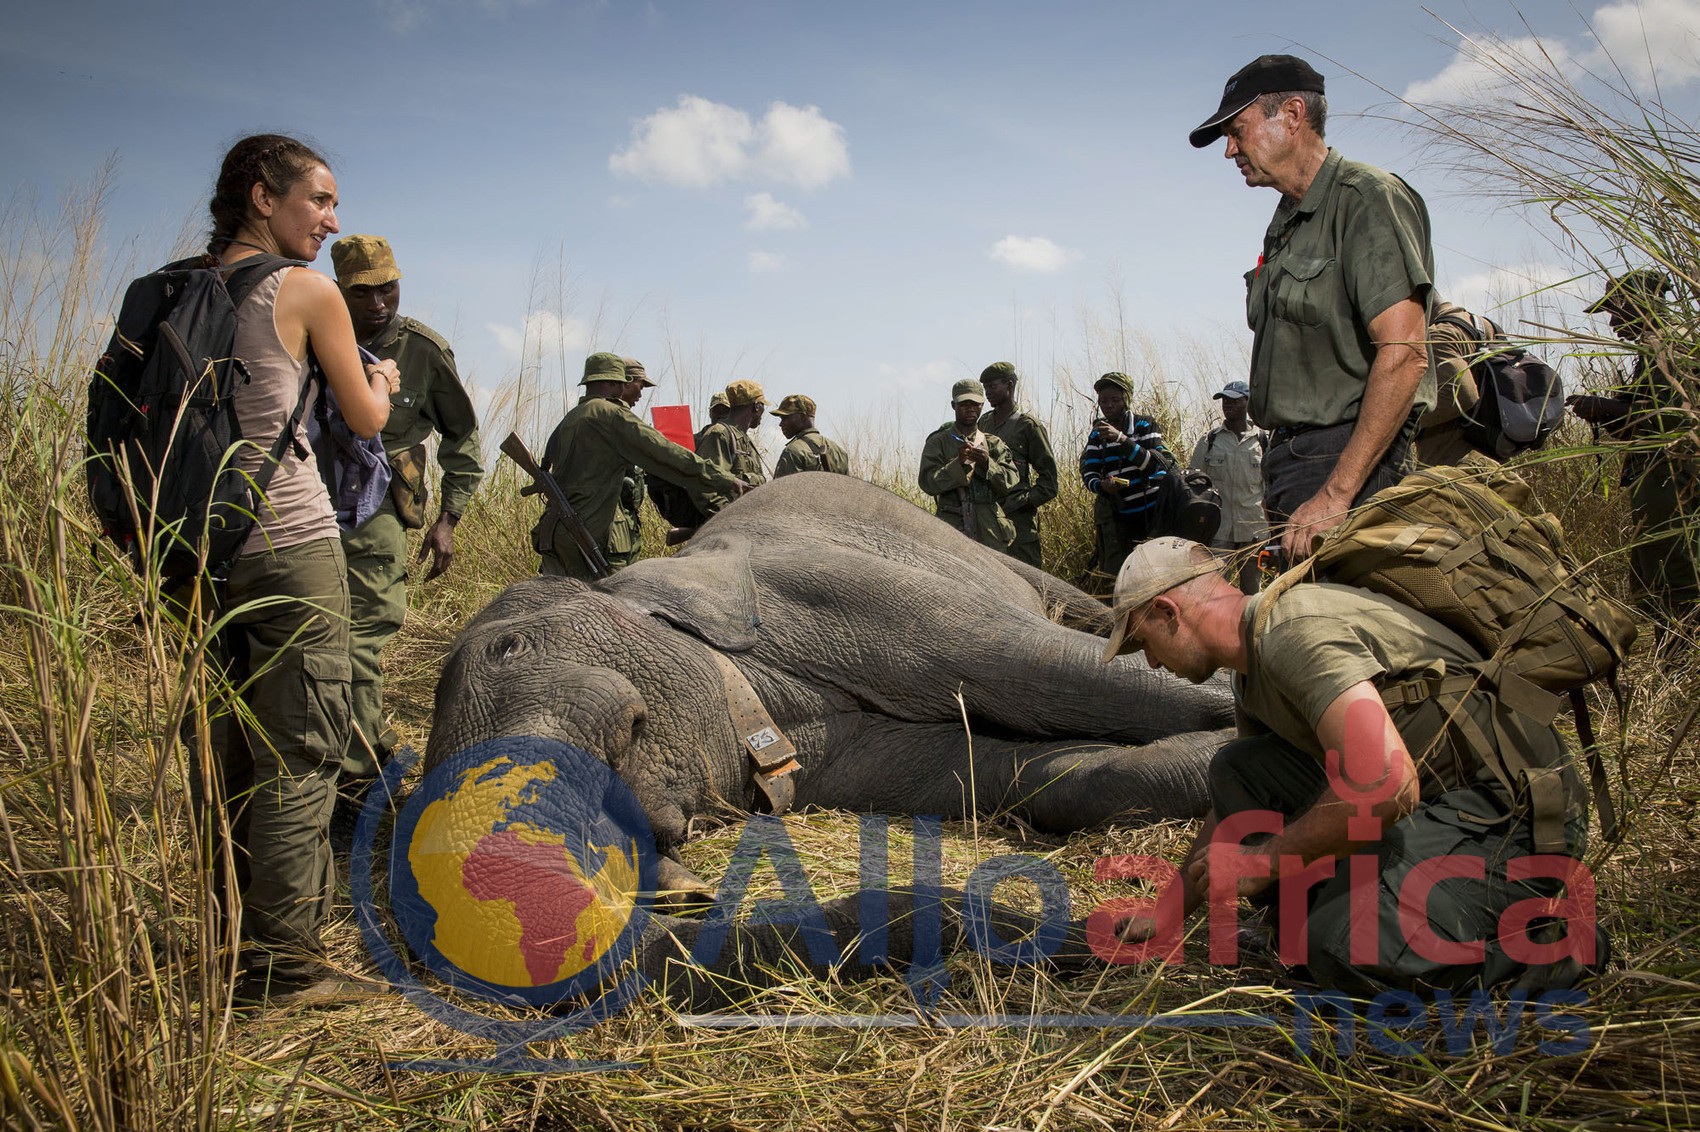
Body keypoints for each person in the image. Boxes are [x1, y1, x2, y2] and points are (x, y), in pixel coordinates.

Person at [1102, 538, 1599, 995]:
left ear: (1167, 612)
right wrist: (1167, 913)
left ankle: (1552, 949)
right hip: (1433, 804)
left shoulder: (1293, 630)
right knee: (1238, 768)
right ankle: (1326, 927)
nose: (1151, 663)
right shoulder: (1250, 671)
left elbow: (1387, 785)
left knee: (1344, 946)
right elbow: (1239, 807)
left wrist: (1263, 861)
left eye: (1144, 643)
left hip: (1513, 812)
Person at [201, 134, 398, 1001]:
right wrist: (383, 382)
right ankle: (283, 967)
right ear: (262, 196)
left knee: (228, 755)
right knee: (300, 755)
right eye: (318, 200)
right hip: (289, 543)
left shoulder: (174, 288)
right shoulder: (305, 290)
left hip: (196, 553)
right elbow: (363, 419)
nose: (330, 220)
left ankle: (228, 938)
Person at [1191, 54, 1435, 563]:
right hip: (1291, 464)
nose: (1230, 150)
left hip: (1345, 465)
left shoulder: (1366, 198)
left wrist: (1337, 494)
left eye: (1237, 131)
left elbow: (1405, 352)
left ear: (1293, 115)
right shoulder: (1285, 222)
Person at [329, 235, 485, 790]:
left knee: (360, 638)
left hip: (380, 509)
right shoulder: (312, 331)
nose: (378, 304)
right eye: (362, 292)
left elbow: (462, 436)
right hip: (310, 504)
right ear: (339, 290)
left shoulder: (422, 349)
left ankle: (360, 772)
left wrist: (449, 519)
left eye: (388, 289)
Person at [533, 353, 744, 577]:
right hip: (593, 533)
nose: (637, 393)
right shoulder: (611, 415)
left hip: (557, 531)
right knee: (606, 597)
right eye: (625, 384)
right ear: (615, 383)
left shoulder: (570, 418)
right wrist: (725, 480)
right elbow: (666, 453)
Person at [1569, 269, 1699, 625]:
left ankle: (1680, 654)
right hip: (1662, 479)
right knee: (1657, 579)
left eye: (1616, 310)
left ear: (1641, 302)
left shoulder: (1669, 344)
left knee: (1677, 582)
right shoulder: (1659, 344)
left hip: (1674, 479)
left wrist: (1606, 407)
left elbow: (1674, 421)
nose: (1612, 323)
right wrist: (1607, 413)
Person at [1079, 371, 1171, 580]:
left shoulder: (1144, 425)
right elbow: (1089, 472)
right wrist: (1102, 486)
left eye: (1115, 400)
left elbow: (1152, 465)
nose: (1108, 405)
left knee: (1158, 574)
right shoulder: (1097, 434)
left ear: (1126, 400)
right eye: (1103, 401)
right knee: (1126, 576)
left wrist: (1121, 439)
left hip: (1154, 513)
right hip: (1121, 517)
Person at [918, 379, 1019, 550]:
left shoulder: (993, 444)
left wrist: (987, 463)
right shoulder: (938, 442)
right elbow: (928, 483)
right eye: (964, 404)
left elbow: (1010, 482)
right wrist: (957, 464)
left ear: (982, 406)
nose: (970, 408)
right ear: (954, 406)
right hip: (950, 528)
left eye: (975, 404)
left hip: (990, 530)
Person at [1188, 380, 1267, 592]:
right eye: (1225, 400)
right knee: (1213, 590)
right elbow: (1195, 483)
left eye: (1234, 400)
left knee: (1252, 592)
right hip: (1219, 530)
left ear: (1248, 403)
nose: (1228, 404)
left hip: (1253, 530)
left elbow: (1270, 487)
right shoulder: (1210, 440)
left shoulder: (1262, 441)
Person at [979, 362, 1059, 569]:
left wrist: (1022, 503)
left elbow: (1049, 483)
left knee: (1027, 577)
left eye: (992, 386)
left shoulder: (1028, 426)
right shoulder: (983, 424)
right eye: (985, 388)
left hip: (1019, 524)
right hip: (987, 519)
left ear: (1010, 384)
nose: (988, 393)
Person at [1415, 297, 1503, 468]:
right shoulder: (1484, 327)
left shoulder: (1439, 335)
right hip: (1490, 468)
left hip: (1450, 471)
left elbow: (1462, 395)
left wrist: (1397, 422)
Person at [697, 379, 769, 513]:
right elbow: (706, 486)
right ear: (756, 406)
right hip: (729, 521)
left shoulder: (744, 439)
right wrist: (728, 517)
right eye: (763, 405)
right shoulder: (720, 434)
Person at [771, 394, 850, 476]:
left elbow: (782, 484)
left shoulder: (793, 451)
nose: (781, 424)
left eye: (785, 418)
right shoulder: (839, 452)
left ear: (802, 417)